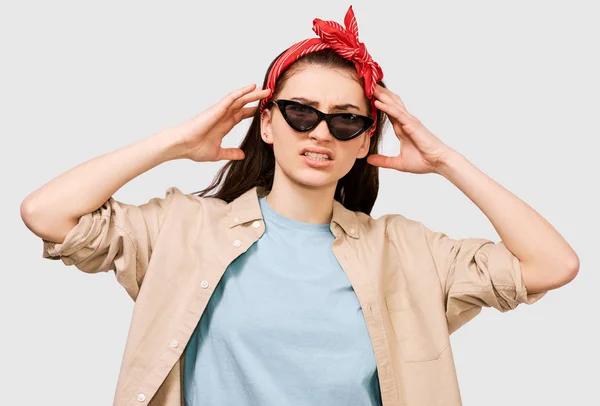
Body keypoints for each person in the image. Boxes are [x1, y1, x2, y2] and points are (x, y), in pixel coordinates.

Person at [20, 6, 578, 406]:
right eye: (301, 112)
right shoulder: (183, 229)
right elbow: (47, 215)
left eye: (346, 119)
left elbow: (552, 266)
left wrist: (445, 159)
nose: (321, 133)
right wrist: (173, 143)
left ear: (364, 140)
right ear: (266, 121)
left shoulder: (406, 250)